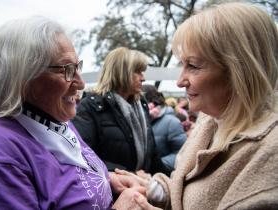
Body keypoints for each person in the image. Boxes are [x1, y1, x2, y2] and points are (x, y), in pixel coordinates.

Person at [115, 2, 278, 209]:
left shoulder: (271, 153)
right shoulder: (211, 120)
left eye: (192, 65)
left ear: (240, 71)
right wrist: (154, 188)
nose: (180, 81)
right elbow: (188, 188)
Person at [0, 16, 119, 210]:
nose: (80, 83)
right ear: (22, 77)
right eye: (67, 70)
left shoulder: (54, 121)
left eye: (77, 67)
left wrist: (110, 181)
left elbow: (71, 178)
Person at [72, 47, 166, 175]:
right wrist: (129, 176)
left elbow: (152, 154)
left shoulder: (141, 106)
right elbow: (84, 157)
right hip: (113, 192)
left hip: (143, 188)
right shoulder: (91, 107)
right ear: (121, 72)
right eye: (137, 72)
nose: (143, 78)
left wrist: (170, 182)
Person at [142, 84, 186, 175]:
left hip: (163, 177)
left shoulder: (171, 122)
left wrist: (159, 164)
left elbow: (182, 153)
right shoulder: (140, 120)